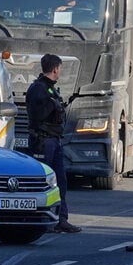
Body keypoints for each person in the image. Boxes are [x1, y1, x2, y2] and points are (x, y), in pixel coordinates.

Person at [26, 54, 81, 233]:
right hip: (43, 141)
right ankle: (40, 217)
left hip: (54, 141)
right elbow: (38, 115)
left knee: (60, 182)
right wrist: (53, 105)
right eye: (60, 68)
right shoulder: (38, 89)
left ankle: (60, 219)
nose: (60, 72)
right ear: (56, 69)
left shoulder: (50, 89)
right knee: (42, 182)